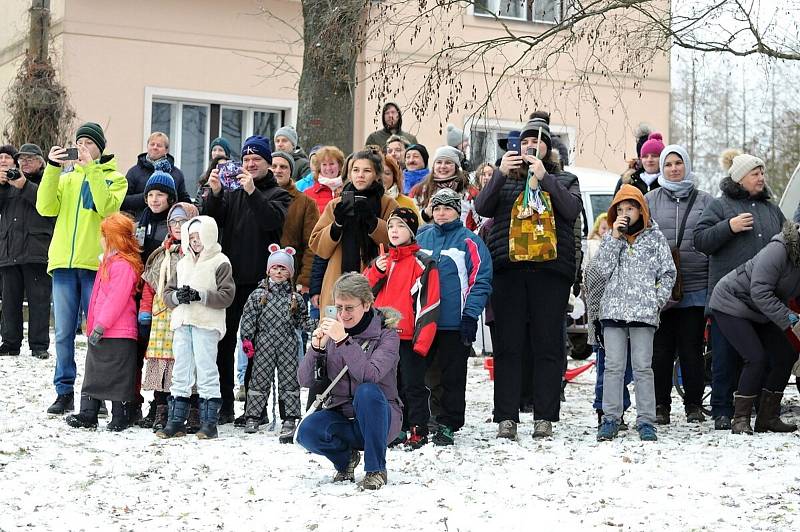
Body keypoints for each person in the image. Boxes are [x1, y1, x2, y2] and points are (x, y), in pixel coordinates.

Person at [474, 111, 582, 440]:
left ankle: (544, 415)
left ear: (549, 149)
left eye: (538, 141)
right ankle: (506, 415)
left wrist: (545, 178)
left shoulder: (564, 180)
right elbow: (482, 207)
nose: (531, 146)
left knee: (548, 344)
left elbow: (572, 210)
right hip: (509, 270)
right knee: (508, 345)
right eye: (526, 141)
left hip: (550, 270)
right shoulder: (505, 177)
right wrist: (498, 176)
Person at [36, 122, 128, 415]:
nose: (83, 148)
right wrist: (52, 168)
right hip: (63, 264)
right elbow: (45, 207)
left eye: (89, 143)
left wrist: (91, 170)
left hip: (96, 267)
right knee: (63, 333)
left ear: (99, 148)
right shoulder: (65, 178)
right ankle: (64, 392)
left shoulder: (115, 178)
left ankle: (96, 394)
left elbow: (107, 208)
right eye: (79, 142)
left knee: (96, 333)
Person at [693, 149, 785, 430]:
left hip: (764, 300)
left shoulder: (772, 209)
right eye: (755, 174)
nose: (761, 178)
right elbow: (700, 240)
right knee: (724, 359)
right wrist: (728, 227)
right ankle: (722, 410)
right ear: (740, 178)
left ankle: (762, 411)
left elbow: (788, 241)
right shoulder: (720, 207)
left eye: (762, 173)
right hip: (728, 300)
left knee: (768, 357)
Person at [203, 135, 291, 423]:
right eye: (247, 160)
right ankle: (224, 404)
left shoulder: (278, 194)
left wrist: (253, 192)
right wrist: (215, 194)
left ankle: (256, 409)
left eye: (257, 160)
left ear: (267, 163)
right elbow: (212, 223)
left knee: (257, 347)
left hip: (260, 283)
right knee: (224, 343)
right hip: (229, 279)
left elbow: (271, 221)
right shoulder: (231, 192)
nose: (251, 164)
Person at [296, 272, 402, 491]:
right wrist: (316, 349)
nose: (343, 314)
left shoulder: (387, 334)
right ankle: (346, 461)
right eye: (339, 307)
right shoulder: (332, 331)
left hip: (382, 417)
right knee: (307, 432)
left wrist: (343, 340)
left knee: (367, 391)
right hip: (342, 415)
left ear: (366, 304)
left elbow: (370, 375)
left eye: (349, 308)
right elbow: (304, 380)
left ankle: (375, 469)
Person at [591, 184, 676, 441]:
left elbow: (668, 272)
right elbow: (600, 271)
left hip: (643, 314)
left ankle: (646, 421)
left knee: (643, 367)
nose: (626, 213)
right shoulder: (611, 238)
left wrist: (655, 301)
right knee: (613, 367)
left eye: (631, 208)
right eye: (621, 209)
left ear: (641, 210)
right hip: (613, 311)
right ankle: (610, 418)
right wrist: (613, 238)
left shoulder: (655, 238)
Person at [417, 188, 492, 446]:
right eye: (437, 208)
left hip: (454, 321)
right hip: (424, 321)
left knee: (451, 375)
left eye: (447, 208)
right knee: (425, 374)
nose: (441, 213)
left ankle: (448, 422)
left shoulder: (469, 240)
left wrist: (470, 314)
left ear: (457, 212)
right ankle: (424, 419)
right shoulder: (421, 237)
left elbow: (480, 279)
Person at [709, 221, 800, 434]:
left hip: (762, 309)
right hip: (732, 302)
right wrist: (792, 319)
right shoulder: (779, 249)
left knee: (786, 354)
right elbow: (759, 291)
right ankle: (740, 418)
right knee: (756, 357)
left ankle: (768, 417)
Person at [645, 144, 713, 425]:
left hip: (695, 287)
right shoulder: (649, 199)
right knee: (659, 351)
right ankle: (661, 405)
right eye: (668, 164)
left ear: (686, 165)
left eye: (678, 163)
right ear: (662, 168)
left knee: (691, 349)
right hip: (661, 290)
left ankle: (694, 405)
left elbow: (713, 242)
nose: (674, 169)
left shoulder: (706, 201)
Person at [364, 207, 440, 448]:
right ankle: (397, 428)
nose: (395, 231)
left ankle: (418, 428)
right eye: (391, 226)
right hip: (381, 337)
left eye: (401, 227)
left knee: (413, 385)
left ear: (411, 231)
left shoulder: (423, 262)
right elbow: (361, 291)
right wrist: (377, 271)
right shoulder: (381, 261)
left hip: (409, 336)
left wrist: (422, 342)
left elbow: (430, 302)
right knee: (389, 385)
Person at [158, 215, 236, 439]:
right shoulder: (183, 263)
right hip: (183, 323)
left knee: (206, 370)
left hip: (206, 323)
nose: (195, 241)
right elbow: (166, 294)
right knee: (181, 371)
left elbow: (227, 295)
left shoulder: (220, 261)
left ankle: (209, 423)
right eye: (191, 237)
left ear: (209, 235)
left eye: (199, 236)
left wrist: (200, 296)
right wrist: (176, 297)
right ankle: (175, 421)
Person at [65, 213, 142, 431]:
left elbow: (115, 300)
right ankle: (88, 412)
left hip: (118, 332)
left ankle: (121, 414)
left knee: (119, 375)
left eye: (104, 235)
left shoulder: (123, 265)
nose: (101, 239)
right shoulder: (108, 262)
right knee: (93, 372)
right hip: (102, 331)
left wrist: (100, 325)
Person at [239, 245, 316, 439]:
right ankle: (253, 415)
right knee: (259, 379)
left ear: (290, 273)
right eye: (275, 268)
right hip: (264, 343)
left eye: (283, 269)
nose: (279, 272)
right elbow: (248, 318)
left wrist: (317, 325)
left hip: (288, 344)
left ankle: (289, 417)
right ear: (268, 270)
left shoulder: (295, 298)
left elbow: (302, 321)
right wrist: (247, 339)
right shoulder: (258, 295)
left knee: (289, 381)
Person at [309, 149, 397, 309]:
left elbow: (395, 242)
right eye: (355, 170)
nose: (360, 175)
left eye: (367, 170)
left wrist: (372, 221)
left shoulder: (388, 204)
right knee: (334, 330)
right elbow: (318, 247)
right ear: (349, 174)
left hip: (374, 281)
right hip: (337, 279)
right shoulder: (336, 204)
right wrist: (336, 225)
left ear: (377, 175)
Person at [139, 202, 198, 431]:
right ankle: (160, 408)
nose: (176, 226)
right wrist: (145, 310)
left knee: (188, 361)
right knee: (161, 362)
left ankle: (192, 410)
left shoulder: (199, 254)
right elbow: (150, 285)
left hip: (188, 312)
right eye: (173, 221)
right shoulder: (161, 253)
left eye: (182, 221)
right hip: (161, 314)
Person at [0, 143, 54, 359]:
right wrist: (3, 186)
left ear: (41, 162)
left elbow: (47, 207)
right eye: (22, 159)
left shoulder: (48, 181)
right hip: (10, 250)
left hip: (37, 251)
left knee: (39, 301)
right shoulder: (9, 182)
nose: (25, 163)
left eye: (31, 159)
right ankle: (10, 343)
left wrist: (24, 185)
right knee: (10, 301)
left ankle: (39, 345)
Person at [272, 151, 319, 292]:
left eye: (283, 167)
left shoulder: (305, 202)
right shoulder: (255, 195)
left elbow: (311, 245)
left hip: (291, 279)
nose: (278, 170)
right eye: (274, 166)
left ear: (290, 171)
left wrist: (304, 280)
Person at [122, 132, 190, 218]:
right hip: (139, 223)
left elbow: (184, 201)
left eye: (159, 145)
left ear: (166, 150)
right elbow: (123, 201)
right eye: (152, 144)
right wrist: (148, 197)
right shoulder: (134, 172)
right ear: (147, 146)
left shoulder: (176, 174)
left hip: (167, 224)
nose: (155, 147)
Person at [412, 146, 479, 230]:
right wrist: (425, 214)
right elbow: (409, 224)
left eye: (448, 162)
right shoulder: (419, 191)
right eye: (439, 162)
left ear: (456, 167)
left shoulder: (469, 193)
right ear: (434, 166)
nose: (443, 166)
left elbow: (480, 223)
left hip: (461, 240)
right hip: (428, 241)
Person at [613, 126, 662, 195]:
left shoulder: (668, 182)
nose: (649, 159)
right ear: (640, 157)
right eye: (645, 156)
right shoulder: (627, 182)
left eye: (654, 155)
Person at [304, 145, 344, 214]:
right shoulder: (307, 195)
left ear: (339, 166)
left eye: (332, 164)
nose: (328, 168)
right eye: (324, 164)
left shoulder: (348, 190)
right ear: (319, 167)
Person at [381, 155, 421, 223]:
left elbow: (418, 230)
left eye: (387, 173)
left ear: (394, 177)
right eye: (378, 173)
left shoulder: (407, 202)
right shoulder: (364, 200)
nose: (382, 177)